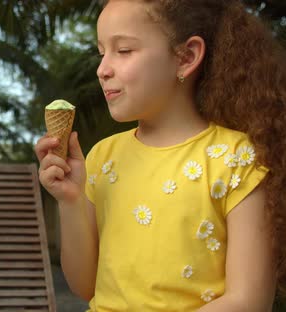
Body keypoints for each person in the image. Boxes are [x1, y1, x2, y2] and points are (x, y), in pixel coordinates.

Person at [35, 0, 286, 310]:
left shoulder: (238, 160)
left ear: (186, 57)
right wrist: (70, 201)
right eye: (102, 53)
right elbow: (85, 285)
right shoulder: (103, 157)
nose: (102, 69)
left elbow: (249, 300)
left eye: (124, 51)